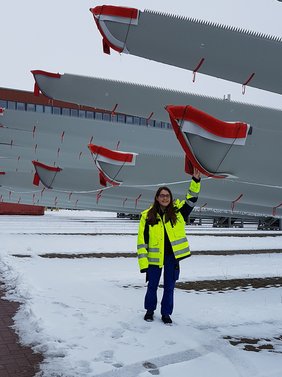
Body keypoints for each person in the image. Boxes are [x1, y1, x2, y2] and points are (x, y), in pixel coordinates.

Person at [137, 168, 201, 324]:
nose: (165, 198)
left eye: (167, 196)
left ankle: (166, 313)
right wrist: (143, 263)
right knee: (152, 286)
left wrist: (196, 180)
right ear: (157, 198)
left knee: (169, 287)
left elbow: (192, 199)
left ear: (170, 198)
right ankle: (150, 311)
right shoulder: (147, 215)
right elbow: (141, 240)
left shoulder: (179, 213)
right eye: (162, 196)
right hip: (154, 257)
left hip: (172, 257)